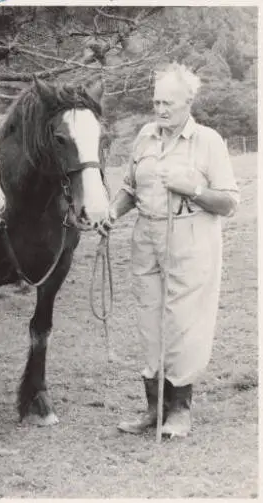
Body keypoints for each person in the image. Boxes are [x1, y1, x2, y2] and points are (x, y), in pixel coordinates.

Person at [99, 62, 240, 438]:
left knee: (183, 324)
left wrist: (191, 188)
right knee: (149, 322)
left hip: (191, 238)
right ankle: (153, 408)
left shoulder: (207, 141)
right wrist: (113, 211)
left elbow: (228, 203)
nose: (161, 110)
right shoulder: (145, 136)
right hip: (146, 238)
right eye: (156, 102)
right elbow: (130, 188)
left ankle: (179, 410)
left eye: (169, 103)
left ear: (189, 102)